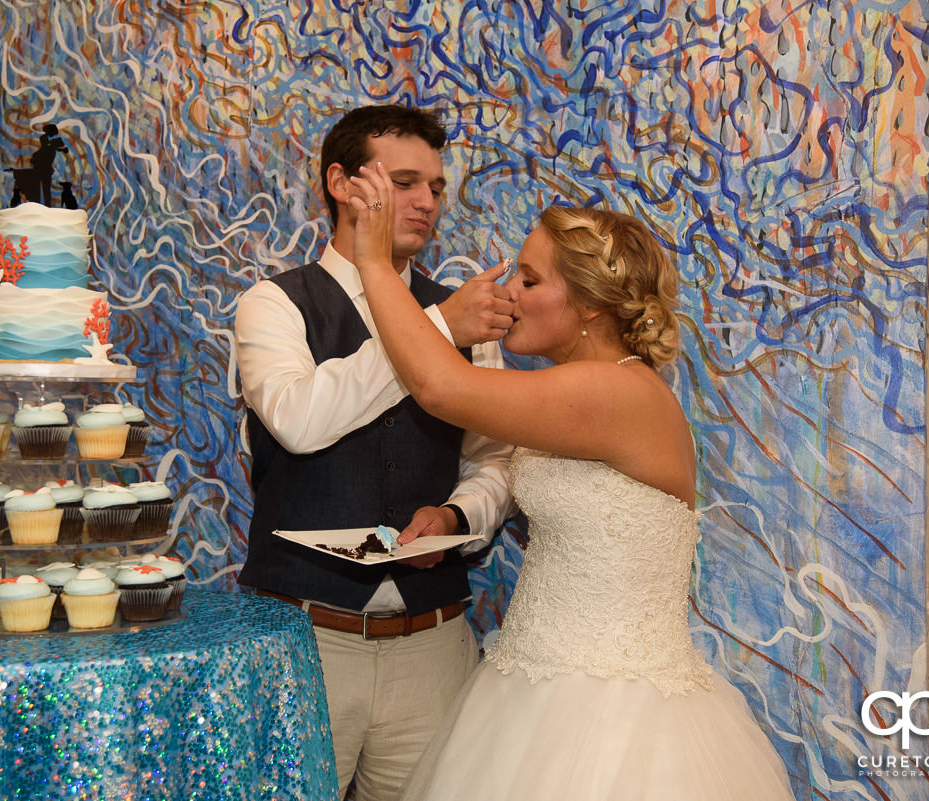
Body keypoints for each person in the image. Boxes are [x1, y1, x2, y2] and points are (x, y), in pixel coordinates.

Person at [344, 163, 796, 800]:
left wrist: (373, 262)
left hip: (615, 718)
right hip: (529, 685)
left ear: (589, 304)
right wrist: (451, 517)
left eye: (529, 280)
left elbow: (439, 387)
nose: (509, 292)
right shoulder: (578, 390)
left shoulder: (615, 392)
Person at [234, 105, 516, 801]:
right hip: (303, 642)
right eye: (405, 182)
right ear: (341, 183)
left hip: (433, 646)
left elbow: (497, 463)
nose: (426, 202)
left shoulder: (464, 315)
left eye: (436, 187)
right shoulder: (274, 303)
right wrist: (436, 330)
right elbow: (299, 420)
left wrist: (456, 517)